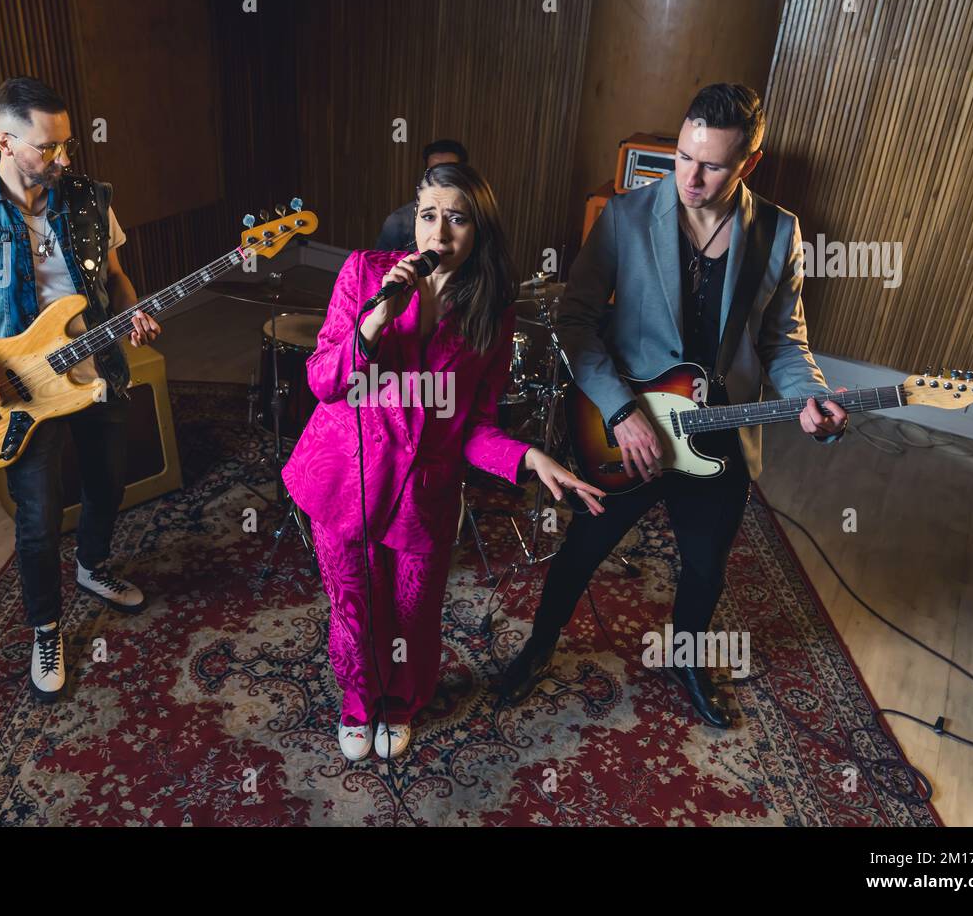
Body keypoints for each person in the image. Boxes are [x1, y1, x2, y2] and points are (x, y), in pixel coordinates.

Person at [499, 84, 849, 727]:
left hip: (719, 432)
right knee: (581, 551)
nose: (690, 175)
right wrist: (620, 409)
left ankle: (689, 659)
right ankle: (539, 645)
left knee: (706, 567)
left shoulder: (778, 231)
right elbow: (576, 323)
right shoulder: (626, 217)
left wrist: (810, 401)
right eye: (683, 156)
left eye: (712, 164)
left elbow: (782, 343)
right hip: (627, 430)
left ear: (751, 163)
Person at [284, 163, 604, 760]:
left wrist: (530, 456)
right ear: (413, 219)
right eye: (428, 216)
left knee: (412, 612)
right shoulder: (363, 273)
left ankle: (401, 703)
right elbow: (323, 381)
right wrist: (374, 321)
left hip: (421, 491)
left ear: (478, 228)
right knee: (353, 604)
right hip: (343, 479)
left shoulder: (490, 310)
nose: (439, 233)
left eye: (456, 218)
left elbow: (475, 427)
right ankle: (359, 705)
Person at [0, 77, 161, 702]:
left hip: (95, 364)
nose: (63, 160)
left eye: (67, 145)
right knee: (37, 516)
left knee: (109, 480)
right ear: (3, 140)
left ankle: (92, 566)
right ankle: (47, 628)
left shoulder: (87, 197)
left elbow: (116, 277)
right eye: (46, 148)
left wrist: (133, 310)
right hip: (17, 388)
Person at [373, 139, 468, 251]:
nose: (439, 236)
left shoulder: (480, 217)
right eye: (429, 217)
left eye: (456, 220)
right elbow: (380, 265)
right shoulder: (399, 222)